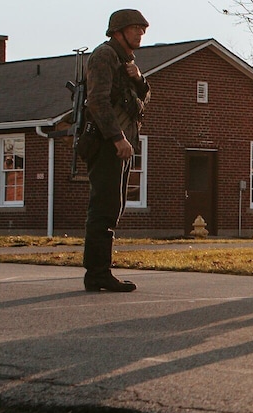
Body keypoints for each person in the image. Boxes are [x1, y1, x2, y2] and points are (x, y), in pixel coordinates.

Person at [80, 9, 151, 293]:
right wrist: (117, 138)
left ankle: (100, 271)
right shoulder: (104, 56)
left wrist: (139, 79)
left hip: (121, 145)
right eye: (134, 28)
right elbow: (97, 101)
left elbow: (142, 99)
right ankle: (97, 273)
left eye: (142, 29)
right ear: (118, 31)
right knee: (103, 208)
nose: (140, 33)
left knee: (112, 208)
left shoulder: (128, 63)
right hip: (107, 143)